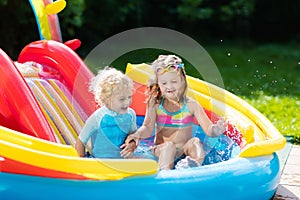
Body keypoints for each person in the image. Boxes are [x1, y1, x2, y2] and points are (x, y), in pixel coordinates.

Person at [123, 55, 226, 170]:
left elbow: (208, 129)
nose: (169, 87)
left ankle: (194, 165)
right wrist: (137, 134)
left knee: (196, 142)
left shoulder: (192, 105)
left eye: (174, 81)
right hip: (161, 150)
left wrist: (216, 130)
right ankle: (165, 174)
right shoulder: (155, 104)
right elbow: (147, 127)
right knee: (169, 146)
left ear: (183, 79)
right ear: (158, 84)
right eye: (164, 83)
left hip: (184, 150)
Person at [75, 67, 137, 159]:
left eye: (129, 97)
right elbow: (80, 142)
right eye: (122, 99)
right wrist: (82, 162)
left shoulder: (130, 114)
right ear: (106, 99)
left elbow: (134, 135)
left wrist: (132, 145)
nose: (127, 102)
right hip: (100, 162)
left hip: (123, 162)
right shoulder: (97, 117)